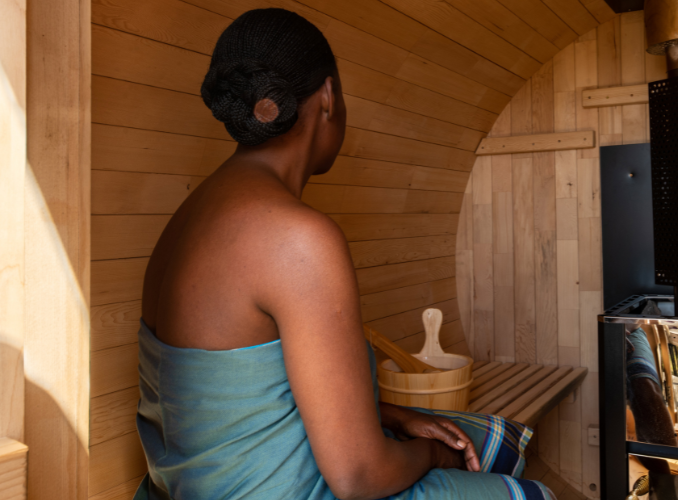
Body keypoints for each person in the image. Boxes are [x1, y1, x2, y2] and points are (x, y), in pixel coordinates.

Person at [134, 9, 552, 500]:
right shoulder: (298, 238)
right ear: (329, 97)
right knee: (528, 489)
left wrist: (390, 415)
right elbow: (359, 478)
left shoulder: (183, 222)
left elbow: (230, 401)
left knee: (487, 438)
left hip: (183, 488)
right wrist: (432, 455)